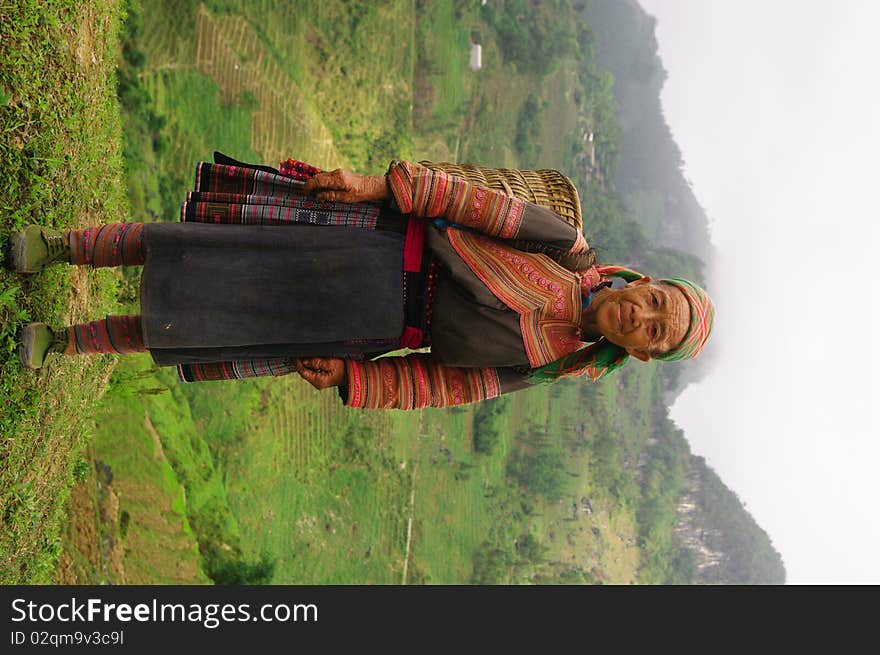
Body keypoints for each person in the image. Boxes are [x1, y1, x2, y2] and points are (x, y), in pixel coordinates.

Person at [7, 154, 714, 410]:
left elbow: (449, 385)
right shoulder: (565, 246)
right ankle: (57, 248)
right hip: (367, 242)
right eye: (656, 302)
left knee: (204, 321)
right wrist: (378, 184)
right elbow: (472, 204)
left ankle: (65, 340)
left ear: (644, 354)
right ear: (646, 281)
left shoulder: (549, 363)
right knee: (198, 251)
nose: (642, 315)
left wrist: (358, 380)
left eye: (656, 330)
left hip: (368, 329)